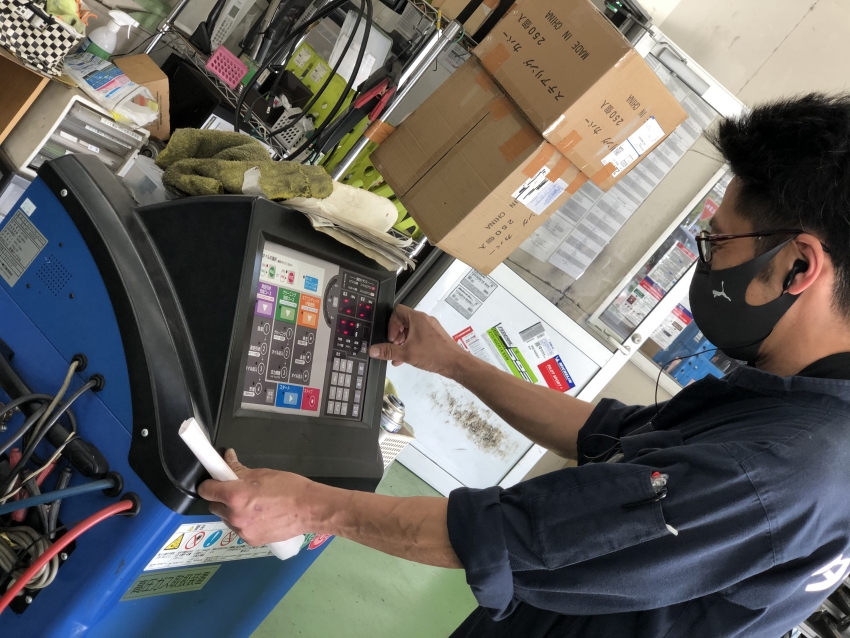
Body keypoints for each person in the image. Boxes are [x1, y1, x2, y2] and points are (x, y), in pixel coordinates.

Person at [199, 94, 850, 637]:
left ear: (798, 266)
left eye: (718, 242)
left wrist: (311, 507)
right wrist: (454, 362)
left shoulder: (782, 470)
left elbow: (514, 534)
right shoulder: (800, 409)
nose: (705, 262)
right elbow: (607, 434)